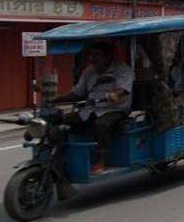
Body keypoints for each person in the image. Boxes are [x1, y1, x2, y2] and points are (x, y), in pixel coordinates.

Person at [52, 42, 133, 175]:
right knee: (62, 121)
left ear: (108, 56)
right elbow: (78, 93)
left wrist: (115, 94)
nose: (93, 59)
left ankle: (101, 161)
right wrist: (58, 99)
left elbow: (123, 89)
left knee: (101, 125)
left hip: (115, 109)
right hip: (91, 109)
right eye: (91, 55)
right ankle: (59, 157)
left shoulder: (122, 69)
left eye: (97, 55)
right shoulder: (89, 71)